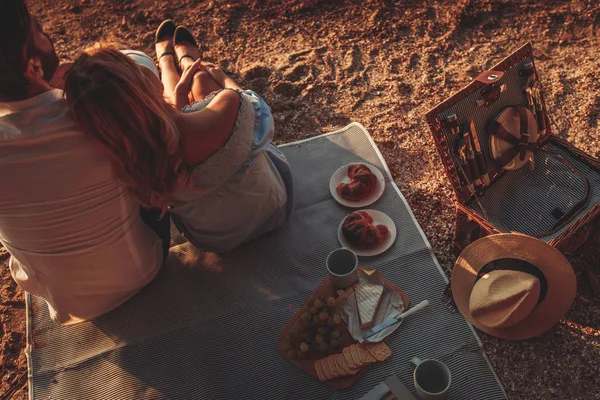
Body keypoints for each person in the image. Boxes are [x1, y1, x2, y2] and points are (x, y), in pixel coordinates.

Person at [0, 0, 168, 325]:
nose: (46, 36)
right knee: (138, 77)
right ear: (31, 57)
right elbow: (142, 69)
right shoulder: (91, 111)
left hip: (63, 301)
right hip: (144, 270)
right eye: (40, 30)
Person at [64, 25, 294, 253]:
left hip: (214, 241)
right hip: (274, 211)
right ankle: (187, 61)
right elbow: (260, 116)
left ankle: (168, 61)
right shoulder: (231, 104)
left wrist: (180, 98)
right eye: (134, 66)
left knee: (194, 95)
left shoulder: (137, 166)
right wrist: (226, 80)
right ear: (141, 87)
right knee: (205, 82)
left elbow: (176, 141)